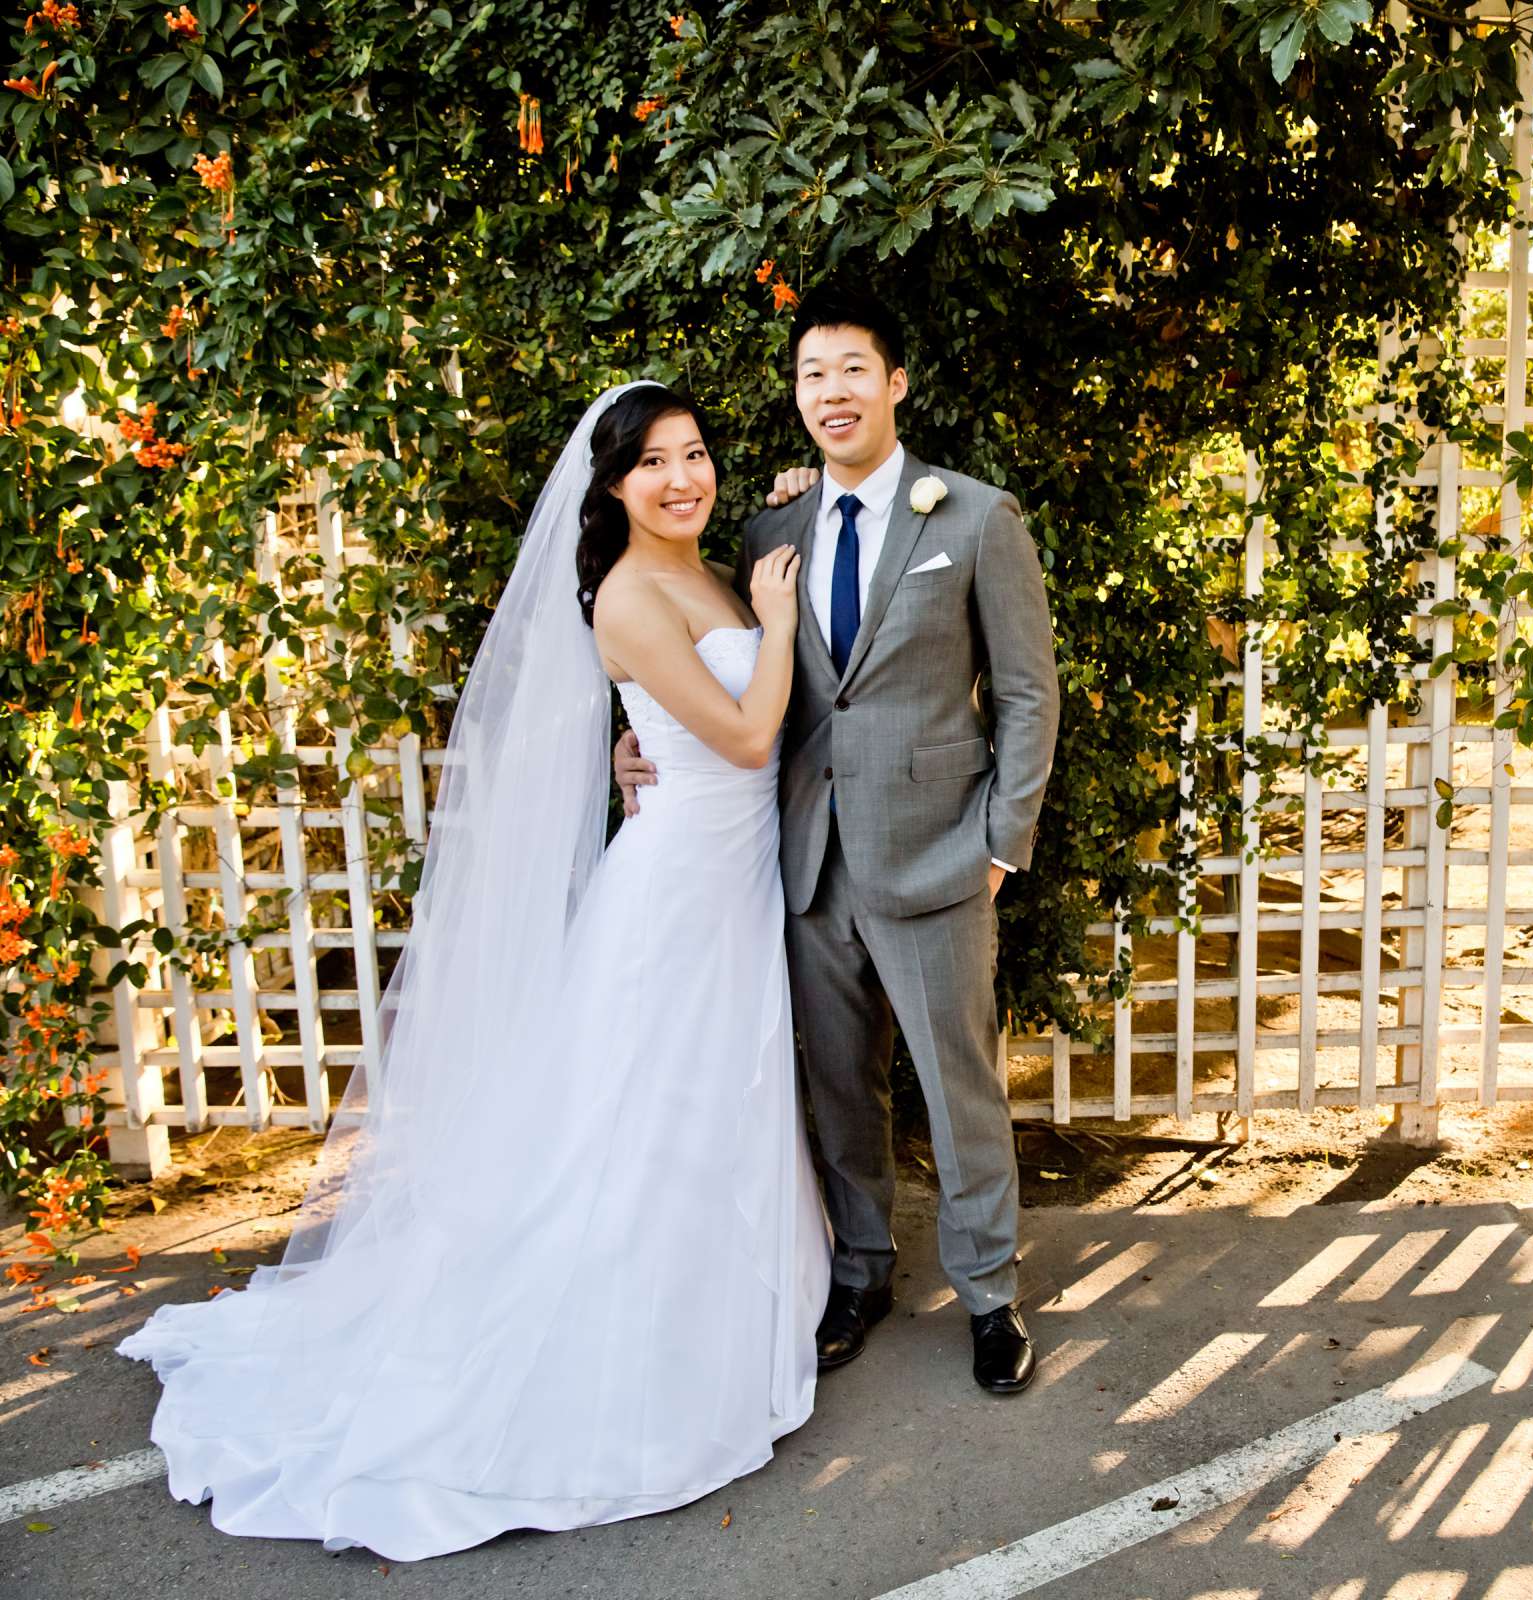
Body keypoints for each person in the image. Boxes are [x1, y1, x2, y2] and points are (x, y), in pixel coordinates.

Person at [117, 384, 832, 1561]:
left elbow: (693, 707)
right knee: (637, 1119)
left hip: (729, 874)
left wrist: (783, 532)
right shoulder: (630, 591)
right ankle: (616, 1357)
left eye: (695, 455)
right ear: (610, 487)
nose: (681, 478)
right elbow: (752, 736)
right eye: (652, 463)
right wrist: (783, 629)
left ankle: (720, 1315)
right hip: (677, 896)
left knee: (710, 1102)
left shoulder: (710, 569)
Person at [615, 286, 1060, 1395]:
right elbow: (708, 672)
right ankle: (859, 1272)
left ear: (895, 382)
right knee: (835, 1090)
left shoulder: (972, 518)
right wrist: (632, 756)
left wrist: (1002, 842)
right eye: (814, 374)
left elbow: (1026, 695)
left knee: (959, 1088)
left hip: (939, 857)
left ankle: (991, 1294)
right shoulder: (772, 530)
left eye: (853, 369)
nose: (833, 392)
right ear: (798, 394)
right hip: (805, 865)